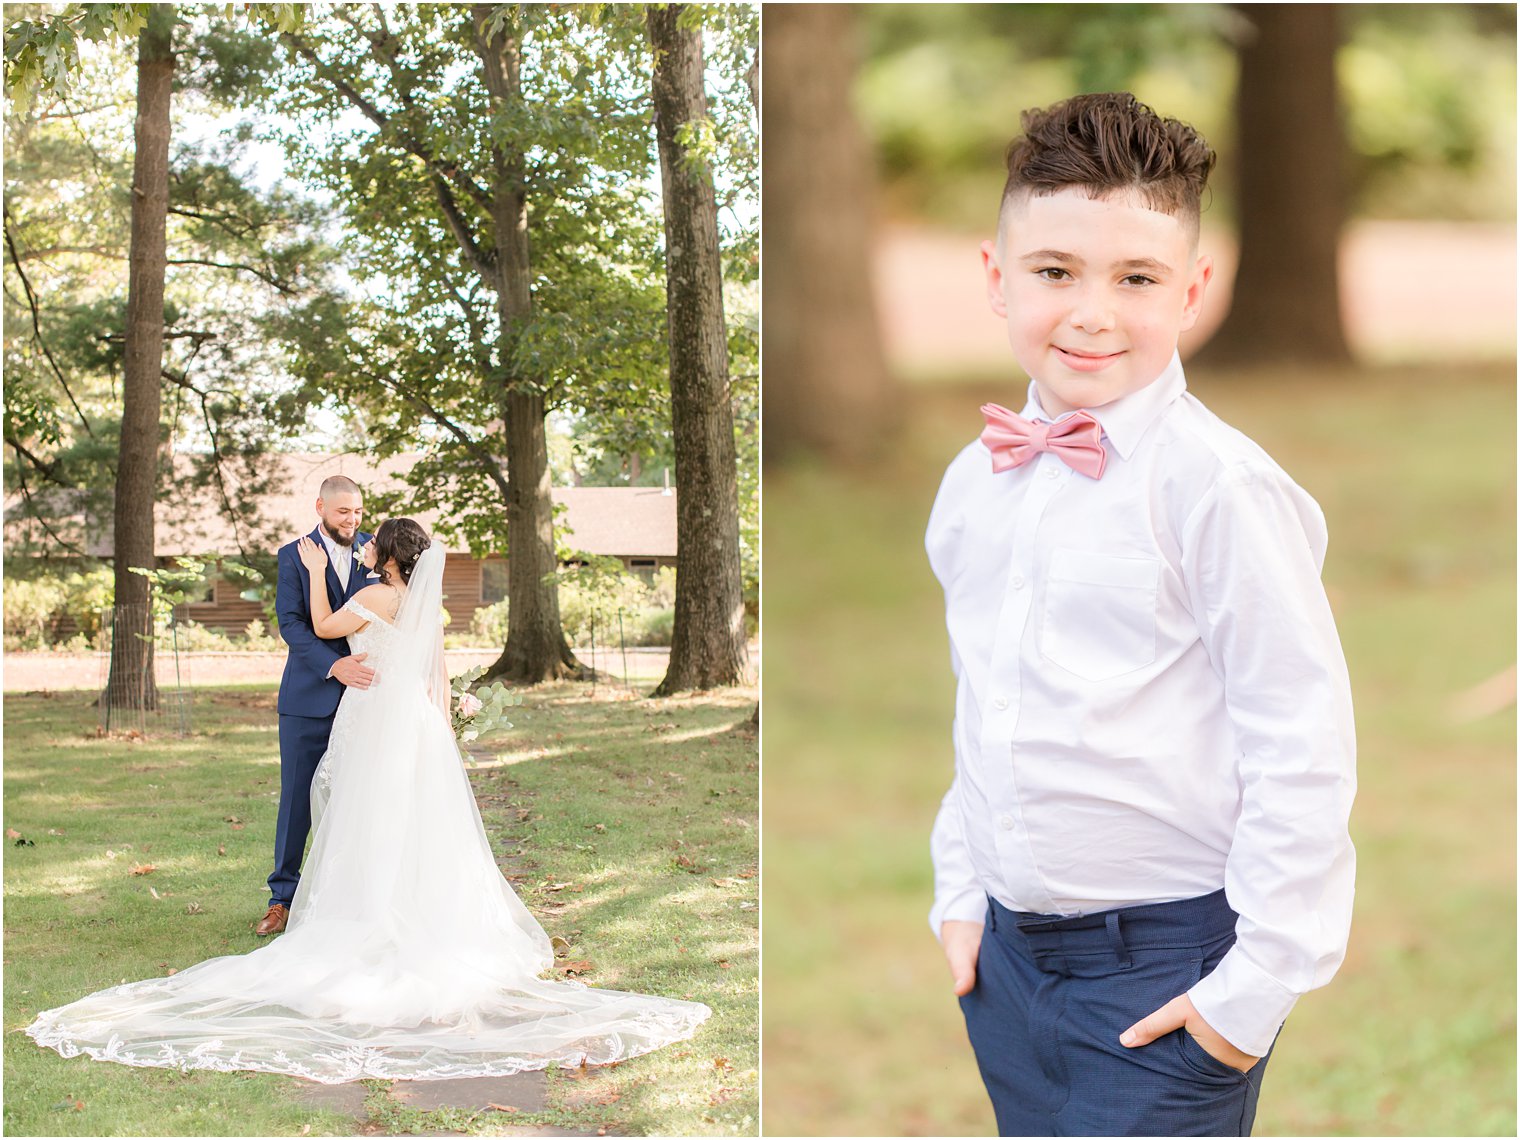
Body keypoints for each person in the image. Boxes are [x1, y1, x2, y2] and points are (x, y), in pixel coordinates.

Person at [924, 92, 1355, 1137]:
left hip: (1167, 968)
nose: (1090, 311)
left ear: (1193, 289)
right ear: (995, 275)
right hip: (1009, 970)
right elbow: (985, 701)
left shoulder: (1217, 489)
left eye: (1136, 278)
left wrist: (1250, 990)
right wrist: (960, 892)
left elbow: (1297, 735)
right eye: (1053, 271)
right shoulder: (970, 485)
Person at [26, 518, 710, 1082]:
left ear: (384, 553)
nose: (366, 551)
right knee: (413, 823)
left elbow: (324, 628)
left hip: (372, 715)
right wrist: (445, 728)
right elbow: (438, 676)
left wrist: (321, 572)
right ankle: (409, 913)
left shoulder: (372, 598)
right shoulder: (423, 607)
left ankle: (363, 916)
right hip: (414, 720)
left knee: (362, 818)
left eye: (372, 545)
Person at [257, 474, 375, 938]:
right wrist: (334, 667)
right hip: (308, 697)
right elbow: (291, 624)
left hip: (368, 700)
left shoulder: (376, 552)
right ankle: (282, 899)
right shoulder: (293, 556)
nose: (353, 520)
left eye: (359, 511)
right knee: (296, 802)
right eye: (344, 511)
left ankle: (350, 900)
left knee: (361, 799)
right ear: (320, 507)